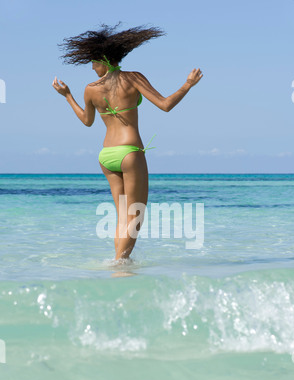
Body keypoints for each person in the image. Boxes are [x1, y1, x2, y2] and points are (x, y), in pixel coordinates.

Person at [52, 24, 203, 261]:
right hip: (129, 153)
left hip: (106, 156)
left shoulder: (90, 89)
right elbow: (165, 105)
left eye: (94, 62)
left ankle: (120, 263)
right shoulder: (132, 78)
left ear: (104, 59)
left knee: (123, 216)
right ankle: (120, 265)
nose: (92, 67)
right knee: (136, 215)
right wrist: (188, 84)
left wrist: (68, 96)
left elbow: (87, 121)